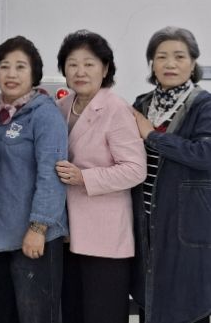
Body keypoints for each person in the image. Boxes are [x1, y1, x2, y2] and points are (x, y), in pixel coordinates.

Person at [54, 30, 146, 323]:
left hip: (105, 236)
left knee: (103, 314)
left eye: (89, 64)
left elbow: (135, 169)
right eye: (72, 64)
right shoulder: (61, 107)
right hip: (68, 233)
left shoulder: (116, 108)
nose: (80, 71)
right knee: (72, 313)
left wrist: (85, 178)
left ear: (105, 69)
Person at [0, 35, 67, 323]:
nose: (12, 74)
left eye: (20, 67)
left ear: (34, 73)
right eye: (5, 66)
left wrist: (38, 227)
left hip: (33, 238)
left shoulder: (44, 114)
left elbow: (52, 174)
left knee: (36, 316)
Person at [132, 27, 211, 323]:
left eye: (179, 56)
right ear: (152, 64)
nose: (170, 64)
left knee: (188, 306)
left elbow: (204, 155)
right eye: (161, 57)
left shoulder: (204, 105)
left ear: (193, 64)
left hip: (186, 226)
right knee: (150, 302)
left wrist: (152, 136)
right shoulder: (141, 105)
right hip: (145, 223)